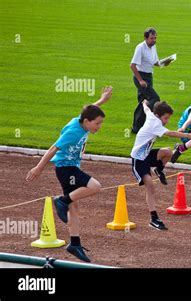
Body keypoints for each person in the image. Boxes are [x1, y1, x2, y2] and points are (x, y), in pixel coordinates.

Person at [26, 86, 114, 262]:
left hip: (69, 168)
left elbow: (87, 111)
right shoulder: (74, 132)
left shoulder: (80, 121)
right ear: (87, 121)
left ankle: (74, 243)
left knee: (74, 207)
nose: (99, 127)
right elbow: (54, 148)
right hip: (67, 169)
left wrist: (101, 101)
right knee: (95, 186)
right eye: (97, 123)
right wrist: (38, 167)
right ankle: (61, 201)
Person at [131, 100, 191, 230]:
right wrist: (188, 135)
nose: (167, 121)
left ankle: (159, 169)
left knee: (168, 152)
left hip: (147, 154)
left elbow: (147, 110)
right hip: (139, 160)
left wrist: (144, 104)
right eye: (166, 118)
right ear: (158, 116)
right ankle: (154, 219)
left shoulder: (152, 115)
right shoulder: (155, 123)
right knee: (150, 187)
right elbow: (170, 133)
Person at [130, 27, 172, 133]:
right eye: (152, 38)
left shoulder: (153, 47)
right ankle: (139, 126)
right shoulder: (140, 48)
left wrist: (165, 62)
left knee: (144, 100)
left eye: (155, 38)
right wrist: (140, 81)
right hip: (141, 77)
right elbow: (132, 65)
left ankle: (138, 127)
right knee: (154, 98)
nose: (154, 40)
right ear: (145, 38)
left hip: (149, 76)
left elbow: (155, 62)